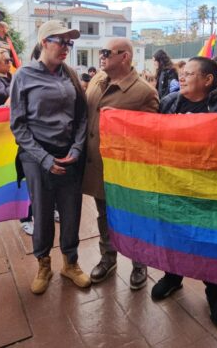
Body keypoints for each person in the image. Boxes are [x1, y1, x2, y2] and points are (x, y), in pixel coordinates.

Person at [153, 56, 217, 327]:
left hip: (214, 189)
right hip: (175, 185)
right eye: (181, 73)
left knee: (213, 242)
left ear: (208, 80)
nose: (181, 78)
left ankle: (214, 292)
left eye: (187, 74)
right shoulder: (169, 103)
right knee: (174, 234)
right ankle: (173, 277)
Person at [10, 20, 90, 295]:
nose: (66, 47)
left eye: (70, 42)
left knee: (71, 211)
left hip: (69, 155)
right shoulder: (24, 75)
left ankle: (71, 263)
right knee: (42, 213)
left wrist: (77, 150)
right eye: (61, 41)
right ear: (44, 42)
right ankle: (44, 265)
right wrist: (44, 159)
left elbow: (82, 118)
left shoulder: (70, 75)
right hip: (36, 156)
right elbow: (18, 126)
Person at [84, 37, 159, 290]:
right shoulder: (97, 80)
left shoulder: (143, 92)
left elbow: (150, 136)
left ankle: (139, 264)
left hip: (126, 171)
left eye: (106, 52)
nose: (101, 56)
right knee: (103, 215)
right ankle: (108, 258)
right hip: (98, 168)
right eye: (100, 52)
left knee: (132, 217)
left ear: (124, 56)